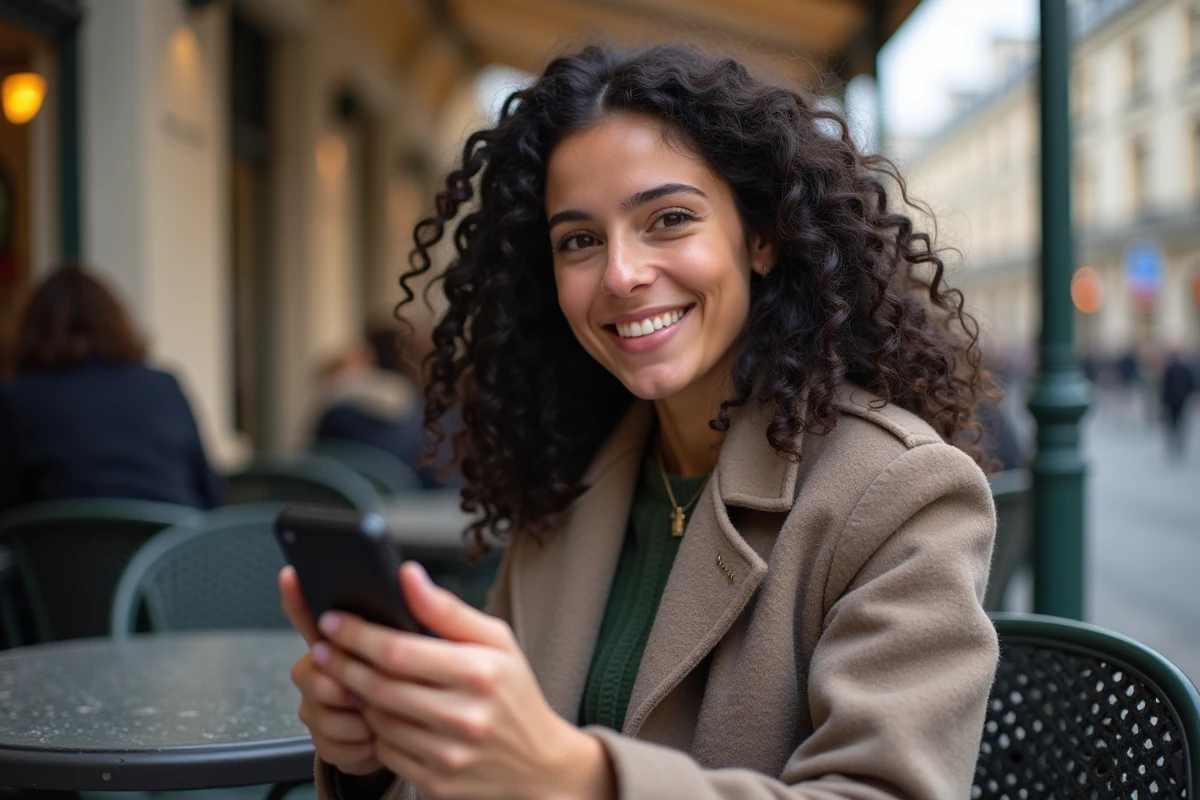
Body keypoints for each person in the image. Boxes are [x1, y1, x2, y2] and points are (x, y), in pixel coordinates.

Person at [281, 43, 999, 800]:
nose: (621, 275)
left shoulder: (902, 492)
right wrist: (376, 762)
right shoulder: (567, 485)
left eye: (670, 219)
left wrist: (579, 777)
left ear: (761, 237)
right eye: (579, 241)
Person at [0, 265, 224, 512]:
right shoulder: (164, 385)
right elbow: (210, 492)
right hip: (173, 534)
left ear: (31, 330)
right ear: (116, 321)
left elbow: (8, 501)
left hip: (69, 535)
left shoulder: (19, 397)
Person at [1160, 349, 1196, 458]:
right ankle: (1179, 441)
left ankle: (1174, 440)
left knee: (1173, 422)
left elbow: (1165, 386)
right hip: (1181, 399)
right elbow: (1191, 384)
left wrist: (1163, 401)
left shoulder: (1169, 369)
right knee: (1181, 420)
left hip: (1171, 399)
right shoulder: (1185, 369)